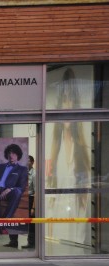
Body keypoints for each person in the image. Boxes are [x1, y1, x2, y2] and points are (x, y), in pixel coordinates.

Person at [46, 67, 92, 245]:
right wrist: (49, 237)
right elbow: (50, 199)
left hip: (75, 229)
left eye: (71, 100)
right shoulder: (54, 150)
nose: (68, 106)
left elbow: (84, 199)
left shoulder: (82, 150)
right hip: (57, 226)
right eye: (64, 100)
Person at [0, 143, 28, 248]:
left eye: (14, 154)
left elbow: (21, 186)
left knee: (17, 192)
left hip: (9, 190)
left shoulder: (22, 169)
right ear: (7, 154)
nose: (11, 155)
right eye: (10, 153)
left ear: (18, 156)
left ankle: (3, 222)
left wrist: (10, 189)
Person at [22, 155, 36, 249]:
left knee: (31, 223)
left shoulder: (34, 174)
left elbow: (36, 192)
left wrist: (33, 207)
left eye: (28, 161)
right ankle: (13, 241)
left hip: (31, 199)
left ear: (32, 162)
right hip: (24, 199)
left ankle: (31, 243)